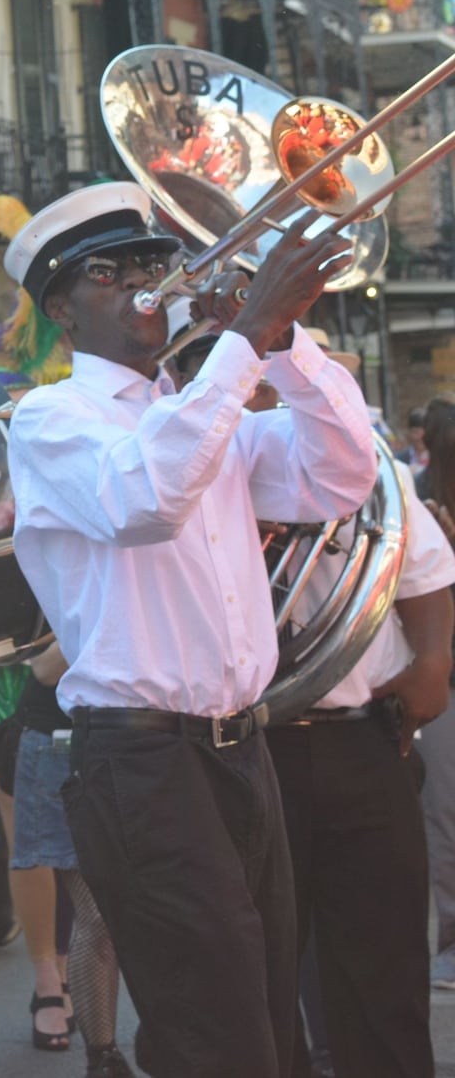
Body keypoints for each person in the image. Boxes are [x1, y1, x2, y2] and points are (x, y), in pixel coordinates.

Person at [3, 181, 375, 1078]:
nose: (144, 281)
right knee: (218, 1035)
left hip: (241, 750)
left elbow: (343, 475)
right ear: (61, 305)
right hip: (142, 763)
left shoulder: (206, 416)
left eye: (152, 262)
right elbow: (146, 498)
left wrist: (283, 346)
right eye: (109, 270)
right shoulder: (54, 418)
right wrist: (243, 338)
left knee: (264, 1023)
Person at [176, 329, 453, 1077]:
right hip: (243, 748)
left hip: (366, 739)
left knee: (386, 962)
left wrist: (433, 661)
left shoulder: (374, 472)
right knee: (257, 972)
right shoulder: (190, 476)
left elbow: (423, 569)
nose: (273, 391)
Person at [10, 644, 131, 1077]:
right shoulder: (71, 574)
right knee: (90, 905)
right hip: (58, 740)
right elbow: (43, 669)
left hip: (145, 745)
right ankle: (55, 991)